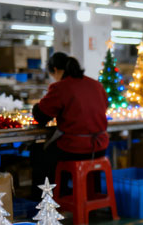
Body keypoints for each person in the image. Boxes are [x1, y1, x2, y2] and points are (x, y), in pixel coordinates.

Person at [31, 53, 108, 200]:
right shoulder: (96, 85)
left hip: (75, 148)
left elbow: (41, 115)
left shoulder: (60, 87)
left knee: (38, 152)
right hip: (99, 147)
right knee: (54, 151)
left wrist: (36, 107)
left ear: (55, 70)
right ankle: (88, 194)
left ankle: (47, 200)